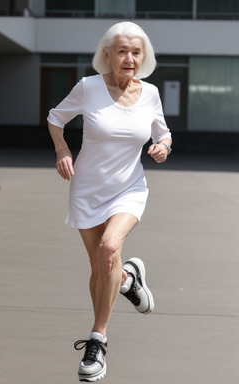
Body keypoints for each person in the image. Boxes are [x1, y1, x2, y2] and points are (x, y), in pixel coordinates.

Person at [47, 21, 172, 382]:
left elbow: (163, 134)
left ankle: (97, 340)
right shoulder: (88, 88)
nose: (129, 58)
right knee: (102, 268)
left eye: (136, 51)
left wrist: (162, 147)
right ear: (107, 55)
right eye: (121, 51)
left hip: (128, 188)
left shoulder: (149, 94)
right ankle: (129, 278)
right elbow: (56, 118)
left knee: (109, 248)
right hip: (86, 189)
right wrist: (62, 150)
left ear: (143, 56)